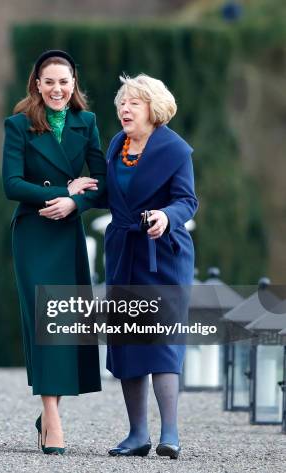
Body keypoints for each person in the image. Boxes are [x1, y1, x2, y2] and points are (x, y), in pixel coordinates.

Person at [2, 50, 106, 455]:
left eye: (64, 81)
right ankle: (54, 420)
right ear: (37, 84)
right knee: (42, 324)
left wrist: (76, 205)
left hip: (68, 234)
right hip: (33, 234)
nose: (57, 89)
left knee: (64, 327)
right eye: (49, 82)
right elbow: (11, 184)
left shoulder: (88, 123)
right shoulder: (19, 125)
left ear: (74, 84)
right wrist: (63, 191)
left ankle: (48, 415)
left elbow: (100, 183)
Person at [104, 74, 198, 459]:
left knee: (161, 343)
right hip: (125, 252)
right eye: (122, 102)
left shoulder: (175, 150)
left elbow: (187, 201)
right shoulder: (116, 145)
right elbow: (112, 194)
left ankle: (170, 434)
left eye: (134, 103)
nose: (125, 109)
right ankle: (137, 434)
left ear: (153, 109)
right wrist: (80, 193)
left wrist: (165, 216)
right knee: (128, 343)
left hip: (164, 256)